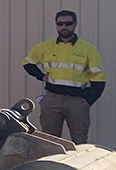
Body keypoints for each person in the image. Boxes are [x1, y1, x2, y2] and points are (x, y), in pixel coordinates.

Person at [22, 10, 106, 144]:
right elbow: (27, 62)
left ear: (75, 24)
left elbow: (99, 77)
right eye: (60, 24)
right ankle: (50, 165)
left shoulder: (88, 49)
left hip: (77, 101)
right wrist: (40, 76)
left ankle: (78, 165)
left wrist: (89, 99)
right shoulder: (45, 47)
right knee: (49, 141)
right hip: (52, 99)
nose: (64, 27)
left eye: (68, 23)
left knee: (80, 142)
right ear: (56, 25)